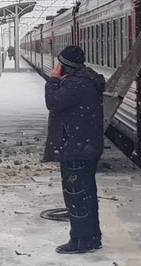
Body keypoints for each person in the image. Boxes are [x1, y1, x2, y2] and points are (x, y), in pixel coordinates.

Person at [44, 45, 105, 254]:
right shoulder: (85, 80)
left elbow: (52, 102)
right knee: (86, 193)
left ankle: (81, 241)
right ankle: (92, 237)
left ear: (64, 66)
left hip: (76, 148)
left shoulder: (76, 84)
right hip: (84, 146)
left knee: (76, 195)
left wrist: (53, 80)